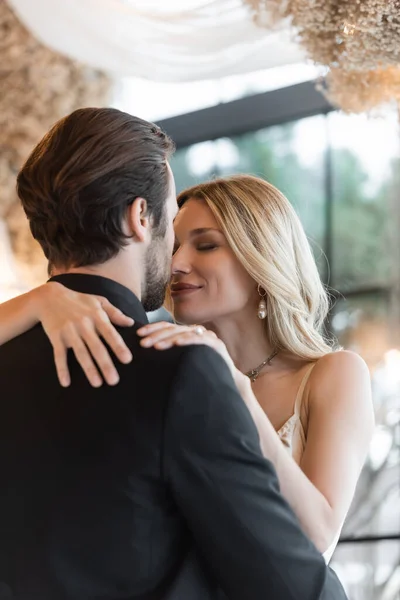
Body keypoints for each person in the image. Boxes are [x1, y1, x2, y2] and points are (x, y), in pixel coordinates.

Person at [0, 107, 349, 600]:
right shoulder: (178, 370)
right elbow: (293, 583)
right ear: (140, 217)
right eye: (170, 222)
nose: (177, 259)